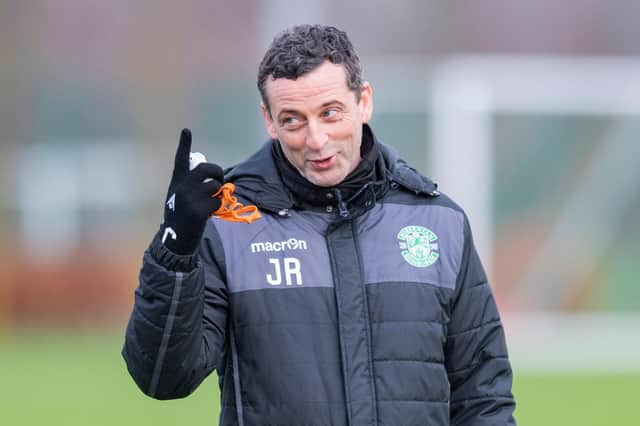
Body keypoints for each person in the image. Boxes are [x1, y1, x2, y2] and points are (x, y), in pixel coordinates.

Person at [123, 24, 516, 425]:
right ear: (269, 121)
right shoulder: (229, 227)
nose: (316, 139)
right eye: (293, 120)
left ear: (363, 101)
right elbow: (163, 378)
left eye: (330, 113)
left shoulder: (438, 222)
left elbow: (484, 398)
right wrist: (175, 249)